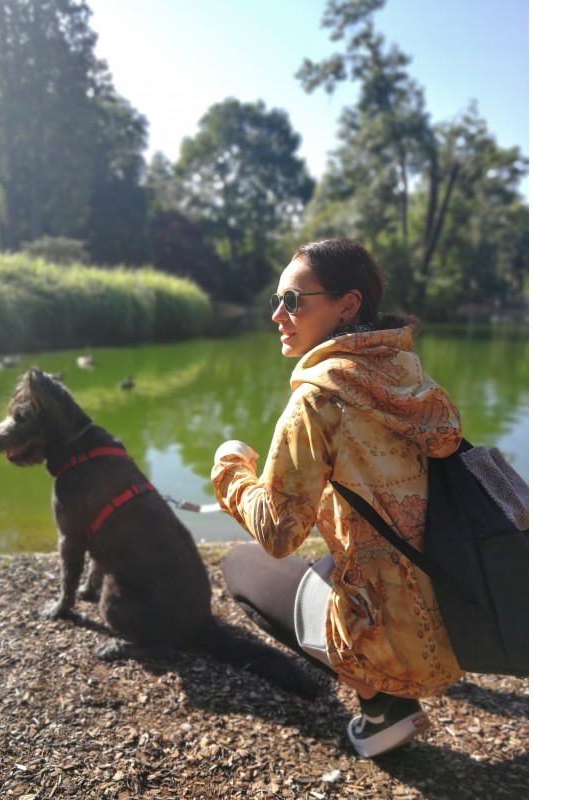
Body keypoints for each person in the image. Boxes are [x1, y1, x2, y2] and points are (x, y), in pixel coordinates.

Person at [211, 239, 464, 758]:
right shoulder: (409, 372)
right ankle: (385, 683)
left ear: (347, 305)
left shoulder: (317, 399)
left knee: (241, 567)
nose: (277, 315)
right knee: (336, 550)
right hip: (462, 622)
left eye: (293, 300)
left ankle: (380, 706)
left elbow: (279, 534)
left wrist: (230, 471)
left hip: (403, 651)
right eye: (277, 300)